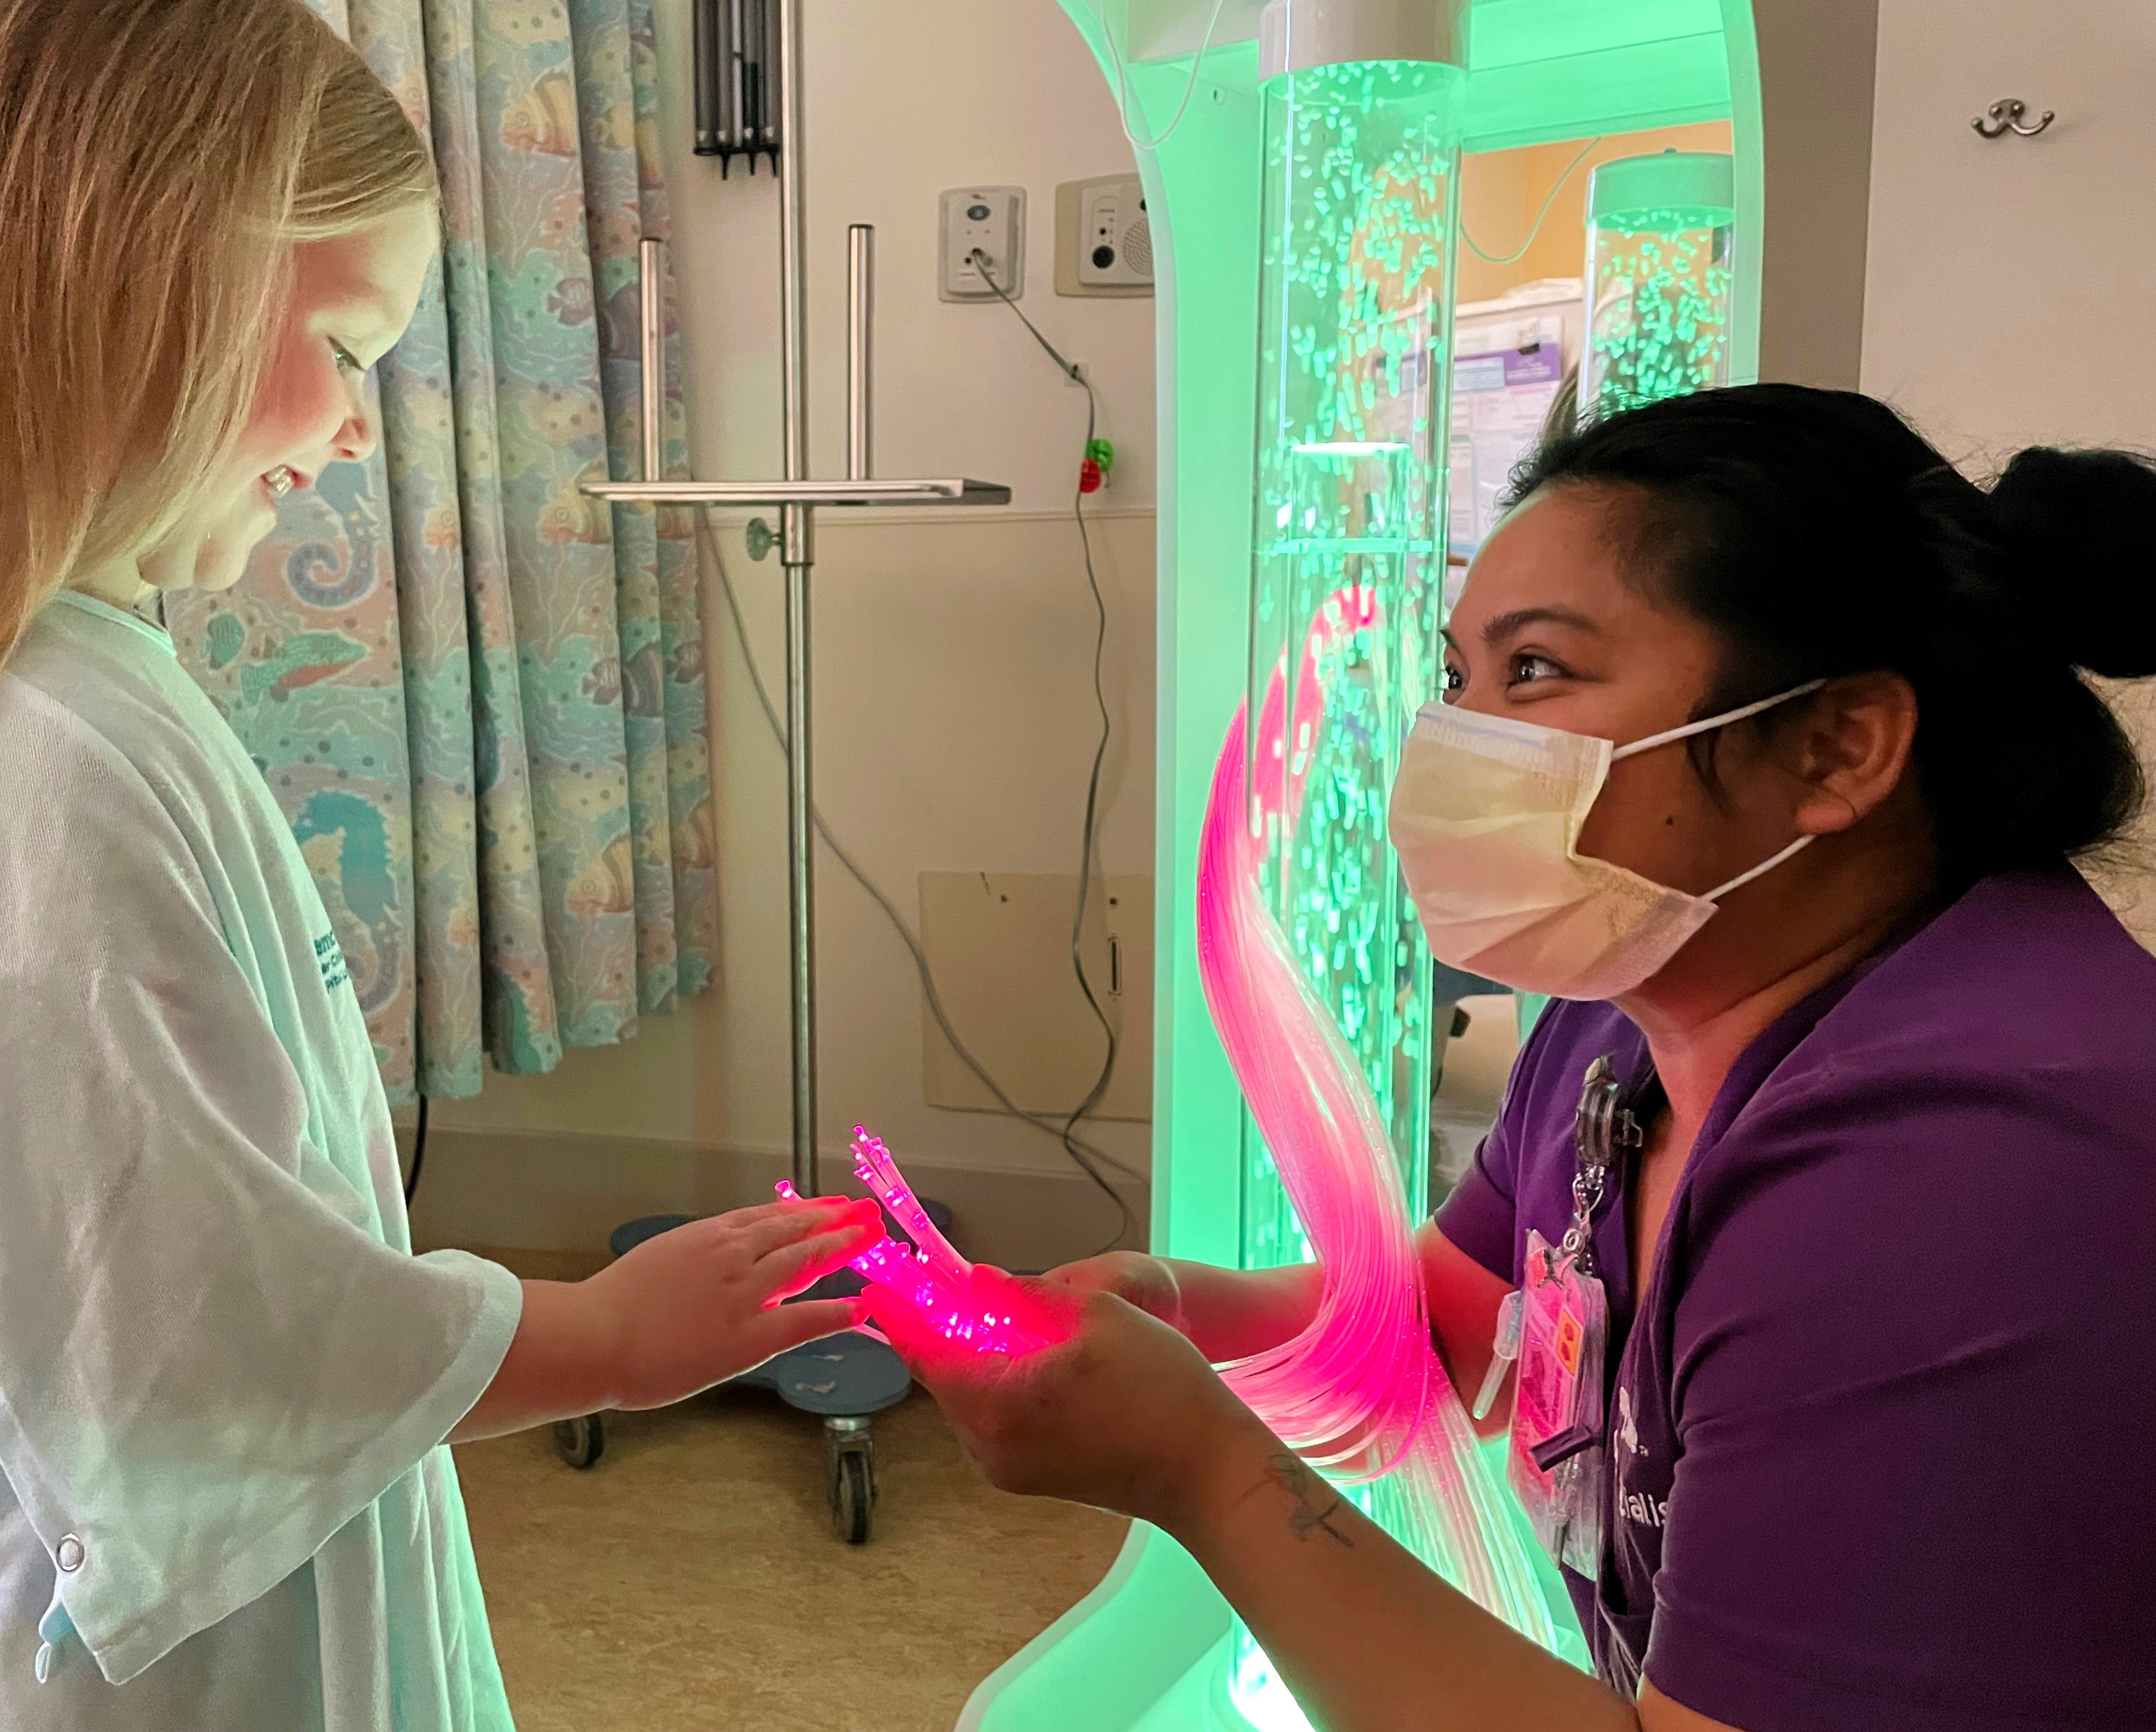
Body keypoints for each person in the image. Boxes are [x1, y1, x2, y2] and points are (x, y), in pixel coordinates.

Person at [0, 0, 879, 1732]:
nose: (357, 434)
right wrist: (602, 1344)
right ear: (153, 279)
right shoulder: (32, 770)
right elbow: (179, 1344)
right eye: (354, 342)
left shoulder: (67, 694)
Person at [883, 385, 2156, 1732]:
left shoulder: (1976, 1172)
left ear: (1837, 746)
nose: (1457, 743)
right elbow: (1438, 1338)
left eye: (1536, 672)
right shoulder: (1630, 1017)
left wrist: (1202, 1470)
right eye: (1457, 680)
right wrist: (1168, 1313)